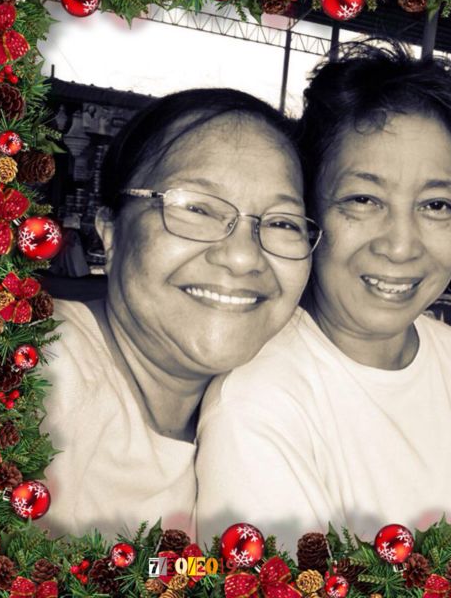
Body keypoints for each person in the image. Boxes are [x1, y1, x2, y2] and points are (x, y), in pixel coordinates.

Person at [196, 43, 451, 552]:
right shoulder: (259, 407)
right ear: (308, 212)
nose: (401, 245)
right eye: (363, 199)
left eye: (436, 204)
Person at [39, 88, 321, 538]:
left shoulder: (276, 403)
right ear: (110, 232)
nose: (243, 257)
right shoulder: (40, 369)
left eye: (281, 222)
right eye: (196, 207)